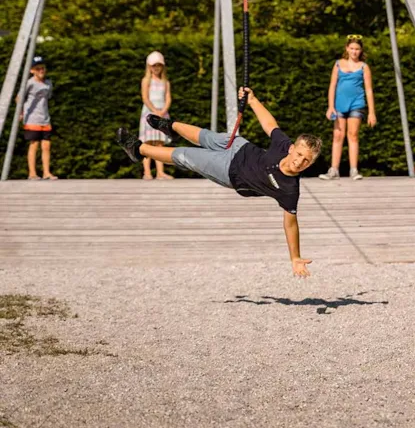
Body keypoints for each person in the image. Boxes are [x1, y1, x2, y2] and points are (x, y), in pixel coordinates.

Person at [116, 88, 321, 277]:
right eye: (300, 154)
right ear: (292, 148)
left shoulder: (289, 189)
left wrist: (295, 257)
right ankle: (170, 126)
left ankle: (137, 149)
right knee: (205, 135)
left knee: (187, 155)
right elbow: (270, 125)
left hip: (230, 171)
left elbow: (291, 224)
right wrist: (252, 100)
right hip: (239, 147)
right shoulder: (283, 145)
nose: (300, 162)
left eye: (307, 161)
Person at [319, 34, 377, 181]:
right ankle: (334, 170)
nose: (354, 51)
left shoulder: (364, 67)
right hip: (339, 105)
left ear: (361, 50)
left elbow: (369, 90)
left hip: (356, 104)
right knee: (338, 135)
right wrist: (330, 106)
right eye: (351, 48)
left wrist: (371, 112)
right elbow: (332, 86)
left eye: (357, 49)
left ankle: (353, 170)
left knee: (353, 135)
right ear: (347, 48)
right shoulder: (338, 64)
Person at [19, 55, 56, 180]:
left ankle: (46, 172)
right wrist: (21, 112)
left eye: (43, 68)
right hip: (32, 119)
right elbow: (19, 98)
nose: (41, 71)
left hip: (45, 118)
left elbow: (48, 98)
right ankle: (32, 173)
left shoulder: (48, 83)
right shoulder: (29, 83)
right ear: (32, 70)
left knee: (46, 146)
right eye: (38, 68)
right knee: (34, 144)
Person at [139, 51, 173, 180]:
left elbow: (168, 98)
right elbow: (145, 98)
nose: (156, 68)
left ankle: (160, 172)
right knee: (147, 143)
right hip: (149, 114)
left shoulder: (165, 82)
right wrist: (154, 110)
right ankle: (147, 172)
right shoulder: (146, 80)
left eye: (159, 65)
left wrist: (163, 111)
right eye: (154, 65)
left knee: (159, 143)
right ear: (149, 66)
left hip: (162, 114)